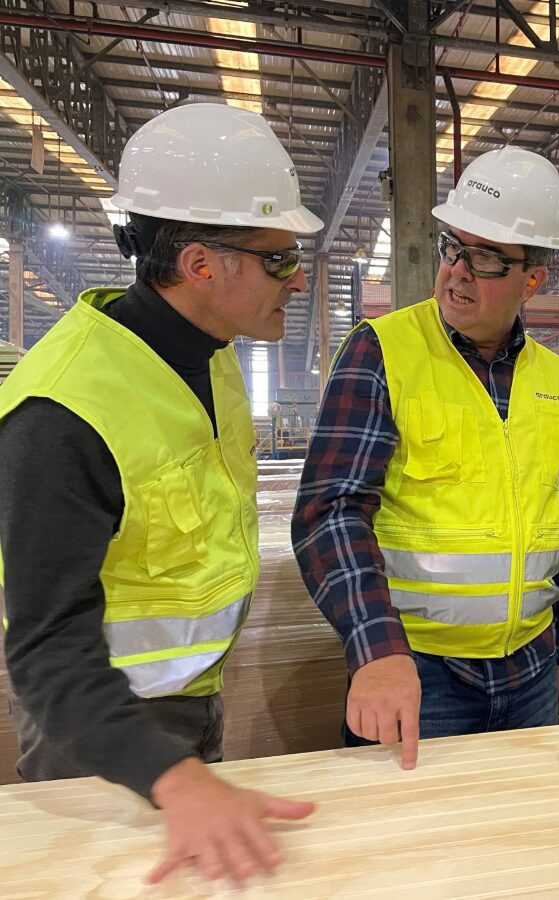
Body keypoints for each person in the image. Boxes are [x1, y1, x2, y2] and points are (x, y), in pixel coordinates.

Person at [0, 103, 323, 884]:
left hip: (190, 706)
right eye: (279, 258)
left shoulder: (208, 355)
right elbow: (43, 645)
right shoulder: (64, 413)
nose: (299, 277)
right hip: (99, 738)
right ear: (202, 265)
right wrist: (171, 776)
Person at [292, 146, 559, 765]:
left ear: (532, 279)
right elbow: (331, 512)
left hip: (530, 669)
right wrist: (376, 649)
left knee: (524, 835)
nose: (457, 269)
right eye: (453, 247)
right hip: (418, 671)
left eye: (485, 257)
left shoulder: (557, 380)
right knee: (409, 851)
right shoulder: (383, 351)